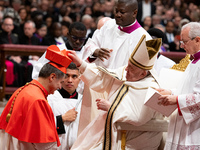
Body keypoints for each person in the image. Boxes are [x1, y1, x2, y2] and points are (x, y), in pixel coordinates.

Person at [68, 35, 164, 149]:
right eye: (128, 65)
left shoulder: (152, 89)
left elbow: (139, 118)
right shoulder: (127, 72)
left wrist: (111, 107)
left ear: (143, 74)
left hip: (131, 139)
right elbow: (102, 79)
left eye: (131, 68)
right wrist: (81, 64)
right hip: (110, 130)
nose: (126, 69)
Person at [0, 45, 72, 150]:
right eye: (60, 82)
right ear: (52, 77)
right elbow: (44, 145)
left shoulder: (24, 89)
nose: (60, 87)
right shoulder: (38, 100)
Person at [157, 22, 200, 149]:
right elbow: (187, 88)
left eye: (185, 42)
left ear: (197, 40)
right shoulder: (193, 60)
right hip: (183, 125)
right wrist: (170, 92)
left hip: (195, 129)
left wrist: (176, 99)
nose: (182, 46)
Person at [83, 0, 152, 69]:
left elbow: (142, 71)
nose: (117, 15)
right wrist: (95, 51)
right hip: (101, 77)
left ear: (134, 13)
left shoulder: (144, 39)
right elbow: (90, 44)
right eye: (116, 11)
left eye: (122, 12)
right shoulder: (108, 25)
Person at [48, 62, 82, 150]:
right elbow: (41, 124)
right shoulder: (50, 98)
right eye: (66, 76)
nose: (70, 80)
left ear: (80, 79)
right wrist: (62, 118)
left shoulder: (84, 101)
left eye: (74, 76)